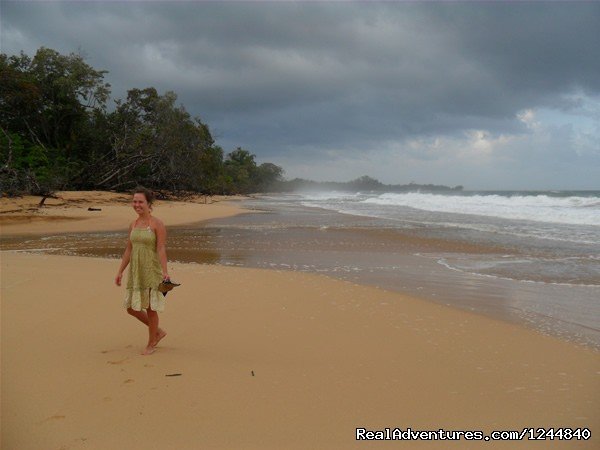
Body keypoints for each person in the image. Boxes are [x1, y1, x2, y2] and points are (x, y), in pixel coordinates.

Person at [115, 187, 170, 355]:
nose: (137, 205)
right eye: (135, 201)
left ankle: (151, 342)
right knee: (131, 308)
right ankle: (158, 332)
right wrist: (120, 271)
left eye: (140, 202)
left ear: (148, 204)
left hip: (152, 270)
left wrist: (165, 272)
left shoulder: (157, 224)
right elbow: (128, 250)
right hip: (136, 271)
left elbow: (161, 248)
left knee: (150, 308)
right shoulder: (133, 224)